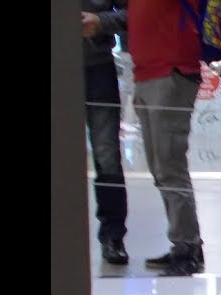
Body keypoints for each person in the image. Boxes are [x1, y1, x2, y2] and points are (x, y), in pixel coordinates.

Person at [129, 0, 208, 276]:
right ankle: (183, 241)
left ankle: (187, 247)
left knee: (169, 164)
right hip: (147, 73)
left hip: (171, 71)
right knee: (160, 166)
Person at [82, 1, 129, 266]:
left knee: (107, 154)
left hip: (98, 68)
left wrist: (101, 22)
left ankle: (113, 237)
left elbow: (132, 13)